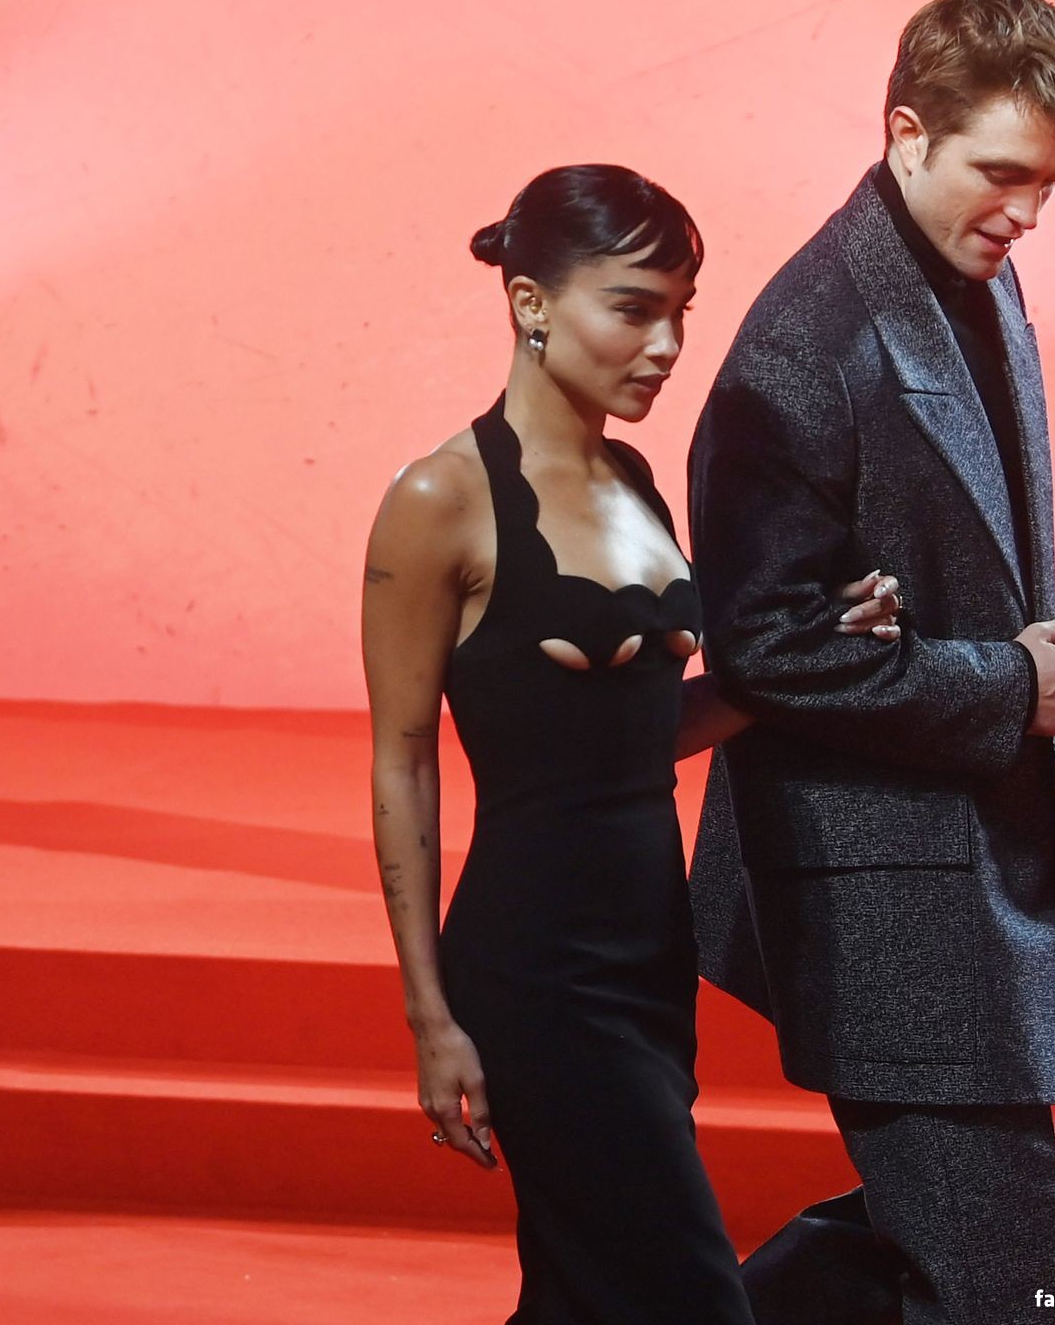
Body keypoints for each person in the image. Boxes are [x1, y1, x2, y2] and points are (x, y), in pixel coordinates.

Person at [362, 163, 901, 1324]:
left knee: (584, 1294)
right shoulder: (438, 500)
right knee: (684, 1291)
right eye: (633, 309)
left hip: (651, 951)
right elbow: (401, 765)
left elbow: (644, 737)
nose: (666, 346)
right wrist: (429, 1017)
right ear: (530, 303)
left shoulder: (639, 482)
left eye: (680, 313)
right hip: (536, 969)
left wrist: (806, 656)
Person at [688, 0, 1055, 1325]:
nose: (1026, 213)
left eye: (1049, 184)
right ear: (905, 134)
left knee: (930, 1253)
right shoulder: (803, 344)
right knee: (1015, 1291)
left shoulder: (969, 271)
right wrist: (1014, 692)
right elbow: (764, 651)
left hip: (961, 862)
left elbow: (999, 563)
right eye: (1001, 175)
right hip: (879, 890)